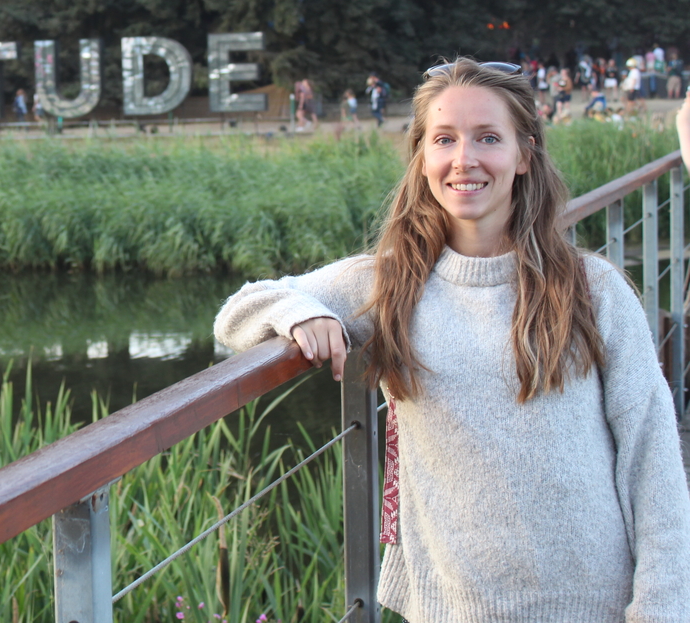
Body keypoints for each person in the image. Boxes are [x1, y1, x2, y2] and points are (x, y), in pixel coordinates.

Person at [215, 59, 690, 622]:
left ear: (525, 154)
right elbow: (239, 311)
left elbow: (653, 460)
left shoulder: (595, 290)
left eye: (488, 137)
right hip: (453, 606)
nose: (465, 159)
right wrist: (301, 314)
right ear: (422, 157)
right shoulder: (390, 282)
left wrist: (661, 608)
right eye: (445, 139)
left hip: (597, 604)